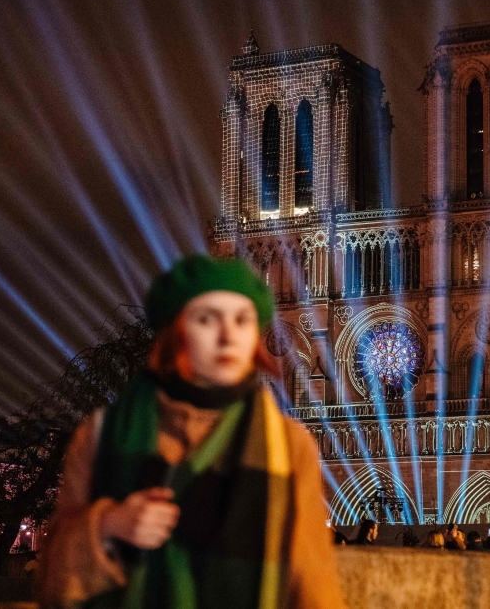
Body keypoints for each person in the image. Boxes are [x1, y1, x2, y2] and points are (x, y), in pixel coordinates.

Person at [36, 255, 344, 609]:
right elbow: (49, 585)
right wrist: (107, 525)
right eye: (206, 319)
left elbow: (312, 582)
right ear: (175, 332)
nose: (228, 336)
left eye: (242, 320)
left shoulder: (290, 446)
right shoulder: (100, 434)